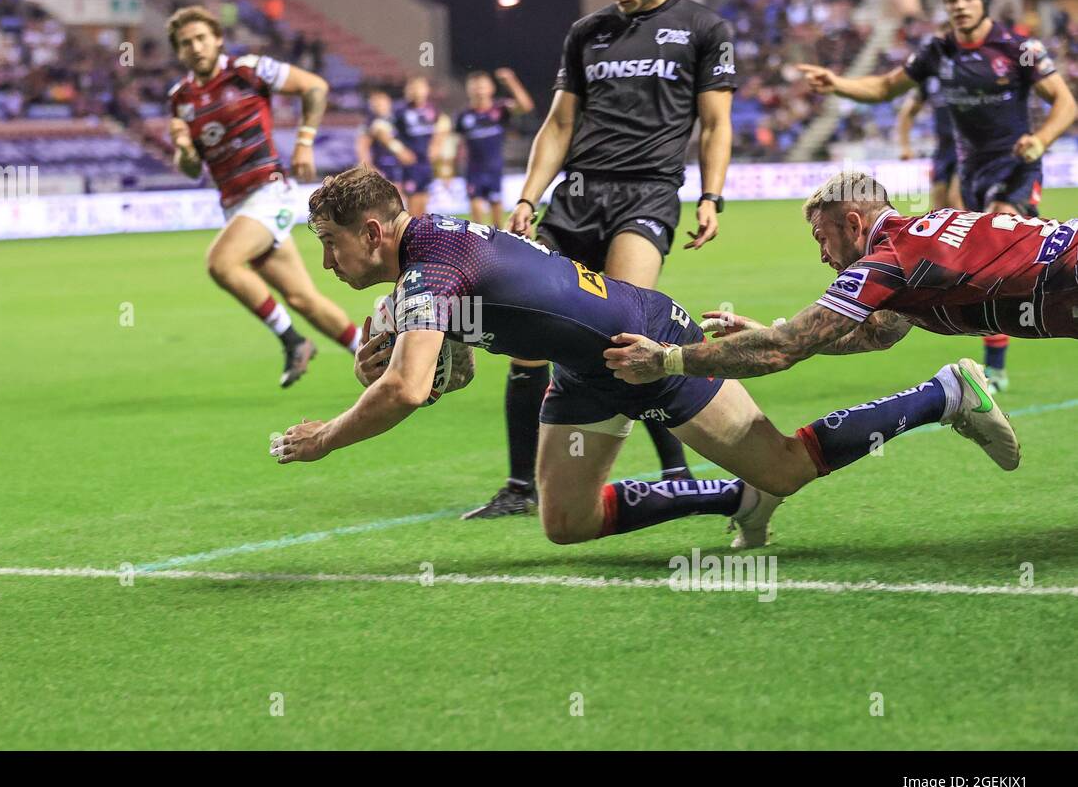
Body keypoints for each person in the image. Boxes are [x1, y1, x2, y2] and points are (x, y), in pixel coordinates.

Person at [271, 167, 1019, 553]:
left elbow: (404, 390)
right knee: (566, 521)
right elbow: (459, 365)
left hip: (647, 345)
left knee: (786, 466)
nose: (329, 264)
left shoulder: (429, 268)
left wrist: (326, 437)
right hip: (586, 365)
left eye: (330, 245)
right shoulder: (434, 251)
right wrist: (433, 373)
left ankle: (945, 394)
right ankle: (735, 499)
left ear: (372, 231)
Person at [465, 0, 738, 520]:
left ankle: (677, 472)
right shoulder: (588, 32)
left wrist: (712, 195)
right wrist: (529, 198)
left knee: (626, 337)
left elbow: (717, 123)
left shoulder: (703, 28)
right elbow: (559, 123)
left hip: (646, 193)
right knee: (527, 341)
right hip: (577, 197)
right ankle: (518, 488)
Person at [797, 0, 1076, 394]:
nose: (960, 6)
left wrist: (1040, 140)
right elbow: (887, 87)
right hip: (969, 173)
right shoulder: (937, 51)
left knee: (998, 246)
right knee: (958, 268)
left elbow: (1065, 102)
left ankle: (995, 368)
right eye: (953, 0)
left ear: (984, 3)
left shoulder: (1019, 49)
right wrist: (840, 85)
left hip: (1015, 167)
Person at [602, 171, 1078, 388]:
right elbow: (877, 333)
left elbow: (780, 352)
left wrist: (666, 360)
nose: (823, 255)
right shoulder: (923, 237)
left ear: (853, 224)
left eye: (821, 237)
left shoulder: (888, 260)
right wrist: (772, 332)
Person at [166, 6, 362, 388]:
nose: (196, 47)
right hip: (235, 204)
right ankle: (372, 353)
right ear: (179, 52)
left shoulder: (249, 69)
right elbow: (191, 169)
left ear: (217, 39)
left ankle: (293, 341)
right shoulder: (180, 98)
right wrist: (185, 154)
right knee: (302, 298)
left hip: (269, 192)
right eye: (186, 43)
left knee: (221, 263)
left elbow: (314, 85)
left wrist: (304, 143)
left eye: (202, 38)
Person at [453, 68, 534, 227]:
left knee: (496, 203)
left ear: (491, 88)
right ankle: (479, 240)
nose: (479, 91)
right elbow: (459, 141)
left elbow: (526, 106)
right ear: (468, 90)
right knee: (475, 202)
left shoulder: (501, 108)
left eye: (482, 86)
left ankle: (497, 239)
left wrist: (511, 82)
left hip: (494, 167)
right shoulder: (463, 115)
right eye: (475, 87)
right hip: (473, 168)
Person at [895, 69, 962, 210]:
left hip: (968, 146)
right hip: (944, 149)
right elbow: (908, 112)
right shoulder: (930, 77)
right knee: (939, 206)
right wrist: (905, 146)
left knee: (956, 200)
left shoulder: (969, 70)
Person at [393, 75, 451, 217]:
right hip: (409, 163)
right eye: (412, 87)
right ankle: (412, 232)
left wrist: (437, 144)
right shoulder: (400, 111)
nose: (415, 91)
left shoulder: (432, 110)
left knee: (424, 198)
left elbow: (444, 124)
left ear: (427, 90)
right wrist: (399, 150)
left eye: (419, 87)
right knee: (412, 199)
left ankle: (420, 230)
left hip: (426, 162)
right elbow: (385, 131)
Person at [356, 89, 415, 182]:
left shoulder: (397, 119)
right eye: (375, 103)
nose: (378, 105)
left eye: (381, 102)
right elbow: (363, 148)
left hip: (401, 169)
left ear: (389, 102)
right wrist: (369, 168)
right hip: (382, 168)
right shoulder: (369, 124)